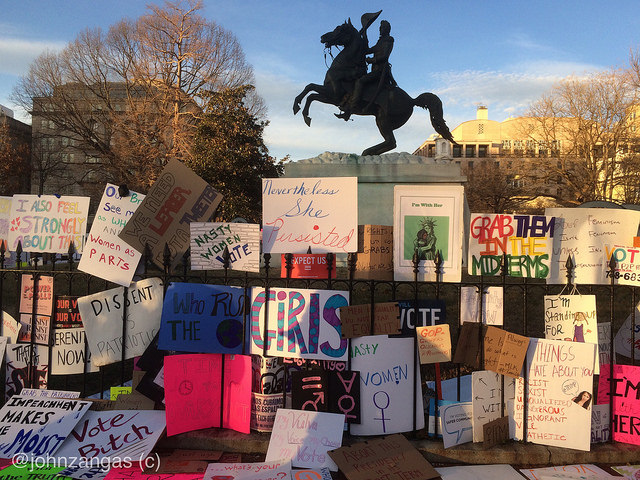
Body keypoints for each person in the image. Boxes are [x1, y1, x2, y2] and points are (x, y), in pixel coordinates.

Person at [336, 20, 395, 121]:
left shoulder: (388, 40)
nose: (381, 29)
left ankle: (351, 107)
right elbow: (368, 50)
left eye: (383, 28)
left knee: (360, 81)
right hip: (374, 70)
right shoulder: (380, 41)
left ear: (387, 29)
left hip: (380, 71)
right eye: (380, 28)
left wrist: (372, 60)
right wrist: (365, 35)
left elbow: (385, 56)